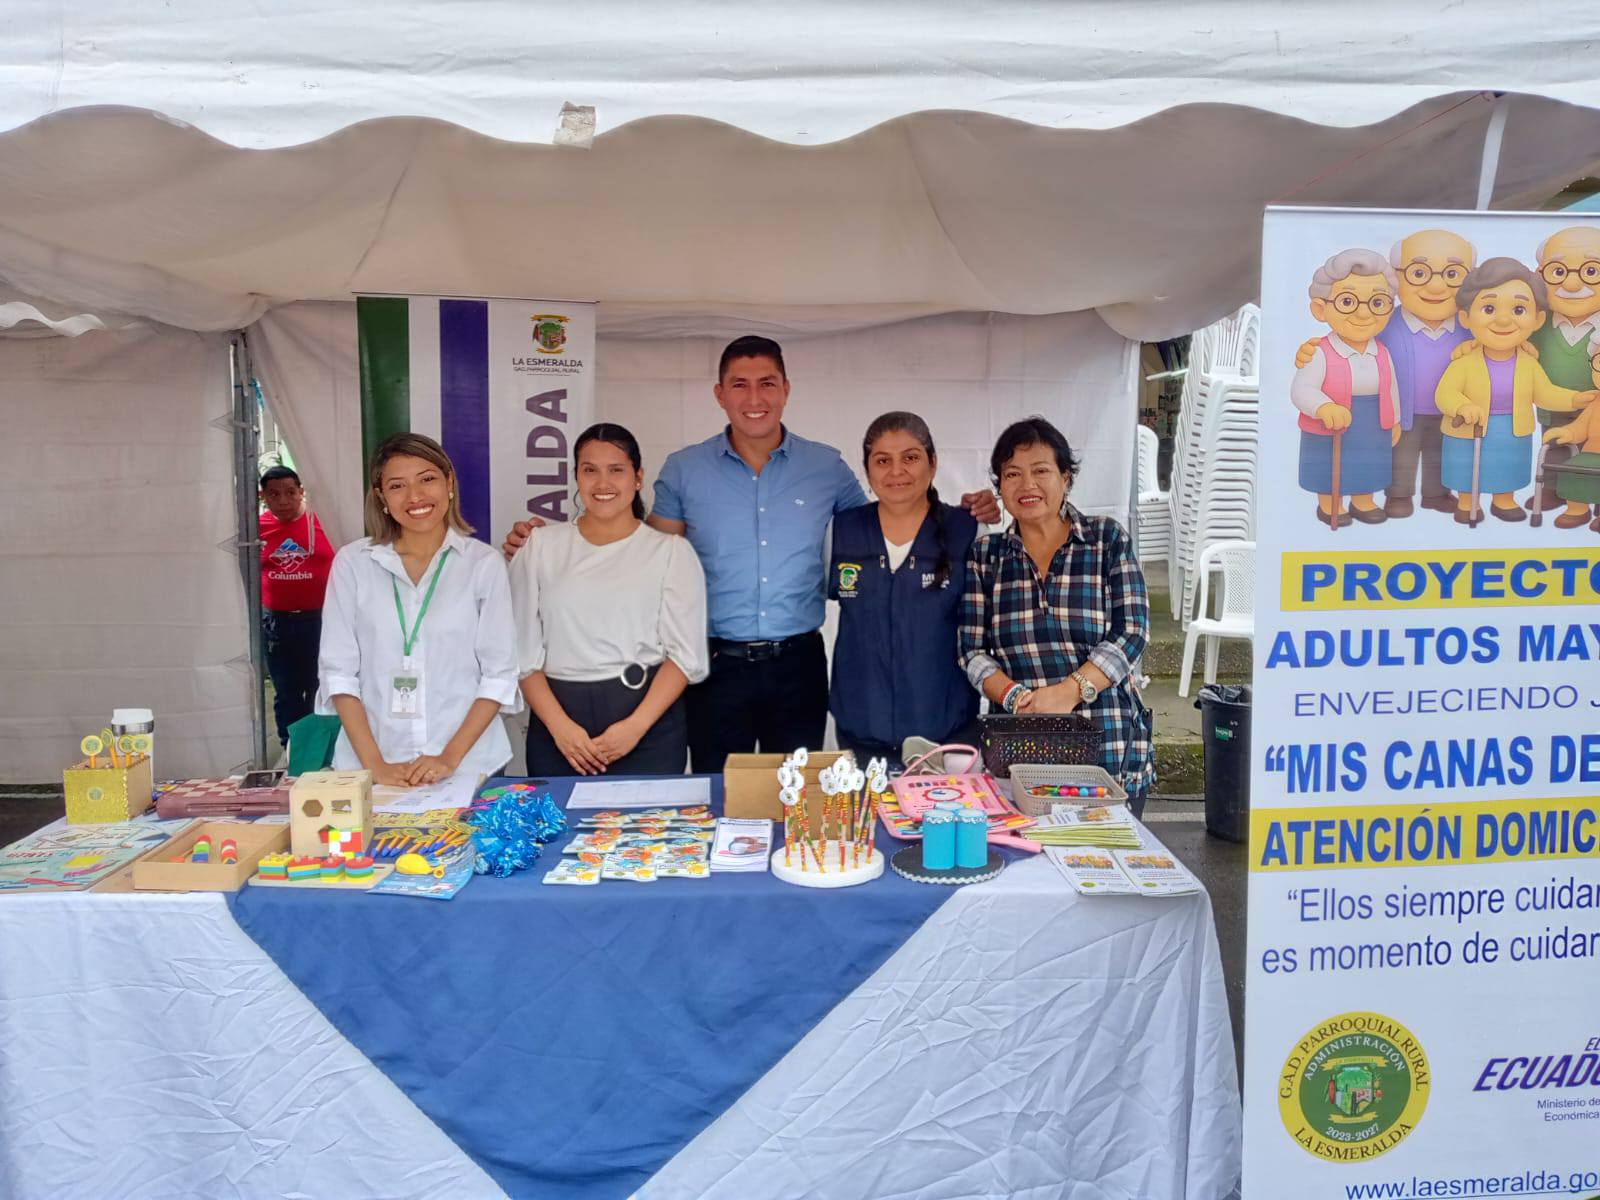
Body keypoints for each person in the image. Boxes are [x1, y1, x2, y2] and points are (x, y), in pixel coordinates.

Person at [503, 335, 1000, 773]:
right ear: (719, 394)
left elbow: (888, 516)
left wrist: (968, 511)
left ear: (786, 389)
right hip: (715, 666)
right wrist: (554, 543)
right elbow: (640, 555)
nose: (754, 398)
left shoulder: (825, 467)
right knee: (721, 795)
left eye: (767, 383)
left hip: (799, 663)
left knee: (795, 800)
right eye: (739, 385)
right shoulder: (685, 470)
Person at [958, 418, 1154, 814]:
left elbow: (1132, 631)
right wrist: (1017, 698)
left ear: (1066, 477)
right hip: (1023, 751)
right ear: (1000, 487)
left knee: (1103, 851)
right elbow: (971, 651)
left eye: (1041, 470)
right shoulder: (987, 556)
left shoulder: (1106, 539)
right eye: (1012, 474)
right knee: (1026, 850)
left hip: (1108, 747)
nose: (1027, 485)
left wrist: (1069, 692)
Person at [318, 433, 519, 785]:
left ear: (449, 483)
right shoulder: (353, 563)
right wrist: (376, 765)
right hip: (371, 767)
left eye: (427, 479)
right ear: (381, 497)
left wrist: (448, 758)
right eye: (397, 486)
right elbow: (338, 673)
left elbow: (499, 674)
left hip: (469, 766)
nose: (415, 496)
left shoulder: (483, 564)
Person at [510, 423, 708, 775]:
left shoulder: (670, 552)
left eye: (616, 470)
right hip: (560, 730)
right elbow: (522, 654)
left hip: (646, 725)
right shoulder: (540, 546)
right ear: (576, 476)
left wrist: (634, 728)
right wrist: (561, 728)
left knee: (651, 814)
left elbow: (685, 656)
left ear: (638, 477)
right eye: (590, 470)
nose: (603, 483)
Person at [827, 412, 978, 765]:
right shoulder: (840, 531)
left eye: (910, 457)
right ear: (867, 469)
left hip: (948, 735)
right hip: (860, 733)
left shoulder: (968, 530)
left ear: (933, 463)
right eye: (883, 460)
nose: (897, 471)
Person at [1434, 258, 1595, 524]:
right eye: (1488, 308)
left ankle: (1504, 500)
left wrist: (1575, 399)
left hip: (1512, 428)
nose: (1503, 319)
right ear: (1465, 317)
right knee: (1467, 468)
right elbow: (1445, 393)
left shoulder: (1528, 363)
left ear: (1537, 320)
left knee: (1505, 467)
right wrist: (1462, 406)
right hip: (1468, 428)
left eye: (1519, 309)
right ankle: (1466, 501)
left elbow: (1545, 393)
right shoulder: (1463, 362)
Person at [1289, 248, 1402, 528]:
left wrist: (1394, 420)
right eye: (1348, 301)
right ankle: (1330, 505)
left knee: (1368, 464)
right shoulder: (1319, 352)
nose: (1363, 313)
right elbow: (1302, 389)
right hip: (1330, 425)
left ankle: (1364, 500)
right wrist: (1323, 406)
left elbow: (1391, 388)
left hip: (1373, 421)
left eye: (1377, 302)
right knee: (1329, 468)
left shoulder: (1382, 352)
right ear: (1321, 309)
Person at [259, 465, 334, 748]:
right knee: (287, 691)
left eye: (290, 492)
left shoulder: (325, 522)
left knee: (321, 686)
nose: (283, 501)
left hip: (321, 621)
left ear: (302, 492)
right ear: (263, 496)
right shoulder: (256, 529)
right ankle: (291, 748)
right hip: (278, 624)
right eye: (274, 494)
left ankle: (321, 749)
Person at [1529, 226, 1600, 518]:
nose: (1571, 284)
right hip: (1552, 403)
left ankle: (1592, 499)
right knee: (1555, 443)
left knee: (1594, 451)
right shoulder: (1538, 323)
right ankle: (1552, 490)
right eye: (1558, 272)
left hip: (1596, 406)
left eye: (1591, 271)